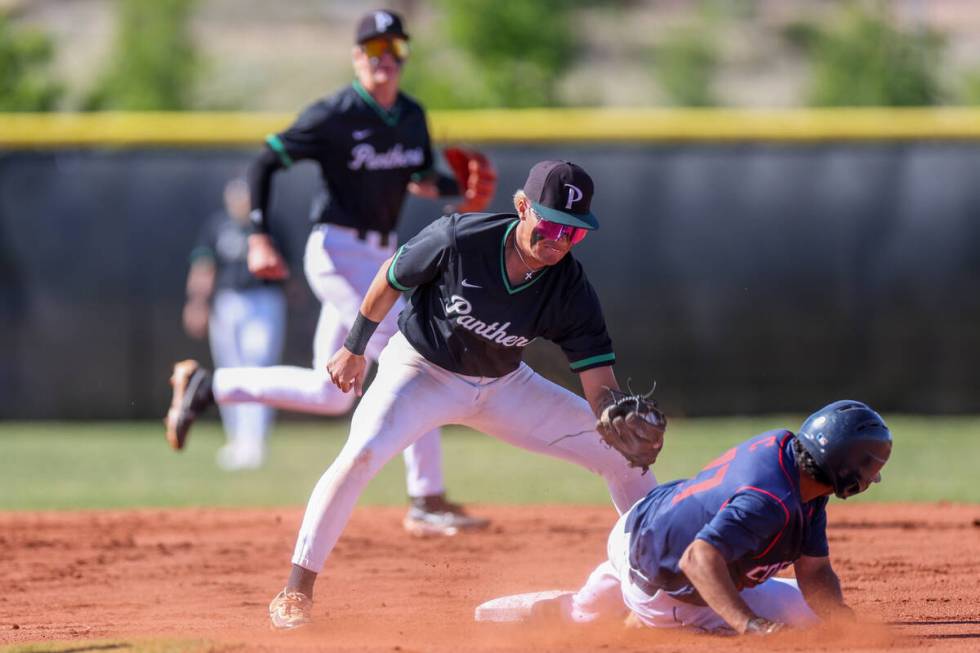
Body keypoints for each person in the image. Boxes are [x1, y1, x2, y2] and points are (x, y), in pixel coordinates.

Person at [245, 158, 664, 629]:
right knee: (361, 454)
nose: (559, 241)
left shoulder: (570, 287)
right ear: (523, 207)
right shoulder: (460, 238)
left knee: (625, 457)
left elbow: (599, 384)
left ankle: (661, 583)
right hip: (421, 370)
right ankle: (295, 590)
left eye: (574, 232)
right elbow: (391, 276)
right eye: (550, 225)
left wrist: (614, 420)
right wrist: (355, 347)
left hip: (505, 386)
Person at [165, 10, 495, 535]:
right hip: (337, 252)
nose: (385, 59)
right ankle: (426, 497)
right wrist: (257, 235)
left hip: (384, 254)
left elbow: (417, 179)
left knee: (328, 394)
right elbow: (264, 163)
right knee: (414, 351)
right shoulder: (335, 113)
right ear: (356, 57)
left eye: (395, 49)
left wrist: (454, 187)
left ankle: (209, 386)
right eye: (374, 49)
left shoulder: (410, 114)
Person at [531, 400, 892, 636]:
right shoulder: (770, 500)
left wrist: (839, 617)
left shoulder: (792, 458)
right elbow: (698, 558)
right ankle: (639, 618)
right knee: (780, 634)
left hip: (646, 523)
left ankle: (592, 603)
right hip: (665, 584)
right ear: (848, 473)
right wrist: (751, 626)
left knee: (815, 618)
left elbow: (814, 571)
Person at [181, 178, 288, 471]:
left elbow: (287, 271)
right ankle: (237, 440)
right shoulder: (218, 226)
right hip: (227, 302)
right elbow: (204, 265)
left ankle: (255, 440)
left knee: (257, 366)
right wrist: (197, 302)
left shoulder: (269, 226)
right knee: (230, 370)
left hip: (263, 300)